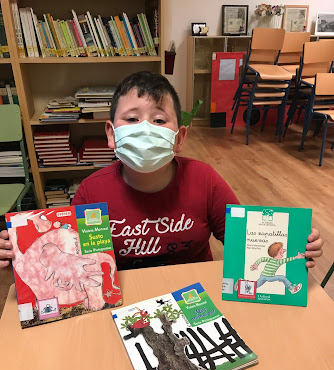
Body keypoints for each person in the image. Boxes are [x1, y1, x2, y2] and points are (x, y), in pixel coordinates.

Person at [0, 71, 324, 271]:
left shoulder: (205, 181)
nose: (144, 129)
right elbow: (74, 263)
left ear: (179, 136)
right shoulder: (91, 193)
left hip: (196, 300)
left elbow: (248, 245)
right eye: (131, 118)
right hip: (125, 304)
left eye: (158, 120)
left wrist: (293, 251)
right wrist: (24, 256)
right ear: (111, 134)